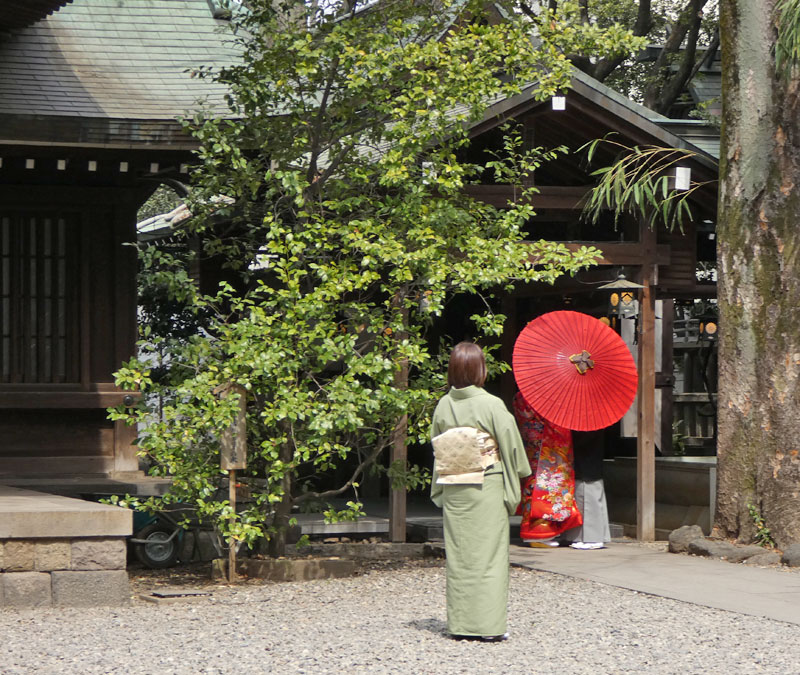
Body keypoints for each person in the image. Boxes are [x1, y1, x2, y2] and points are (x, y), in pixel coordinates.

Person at [430, 342, 531, 642]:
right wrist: (519, 474)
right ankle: (487, 627)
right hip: (485, 485)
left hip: (455, 488)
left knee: (460, 556)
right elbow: (511, 444)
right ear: (480, 370)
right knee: (488, 558)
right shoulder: (490, 404)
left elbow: (438, 445)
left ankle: (460, 625)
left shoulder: (443, 405)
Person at [512, 392, 582, 546]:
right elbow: (557, 423)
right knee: (546, 487)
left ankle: (530, 529)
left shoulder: (520, 396)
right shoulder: (546, 397)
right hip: (547, 447)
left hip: (532, 445)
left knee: (532, 483)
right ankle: (539, 534)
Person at [562, 429, 611, 549]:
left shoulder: (591, 420)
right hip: (584, 464)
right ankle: (581, 537)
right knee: (583, 498)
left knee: (589, 499)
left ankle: (594, 538)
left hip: (588, 466)